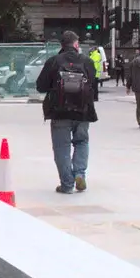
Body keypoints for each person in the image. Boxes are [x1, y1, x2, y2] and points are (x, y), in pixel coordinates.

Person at [35, 29, 98, 195]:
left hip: (59, 111)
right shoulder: (87, 61)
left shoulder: (53, 61)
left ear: (62, 45)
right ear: (76, 44)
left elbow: (40, 86)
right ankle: (79, 174)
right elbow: (93, 83)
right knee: (82, 142)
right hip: (83, 111)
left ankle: (67, 184)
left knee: (61, 147)